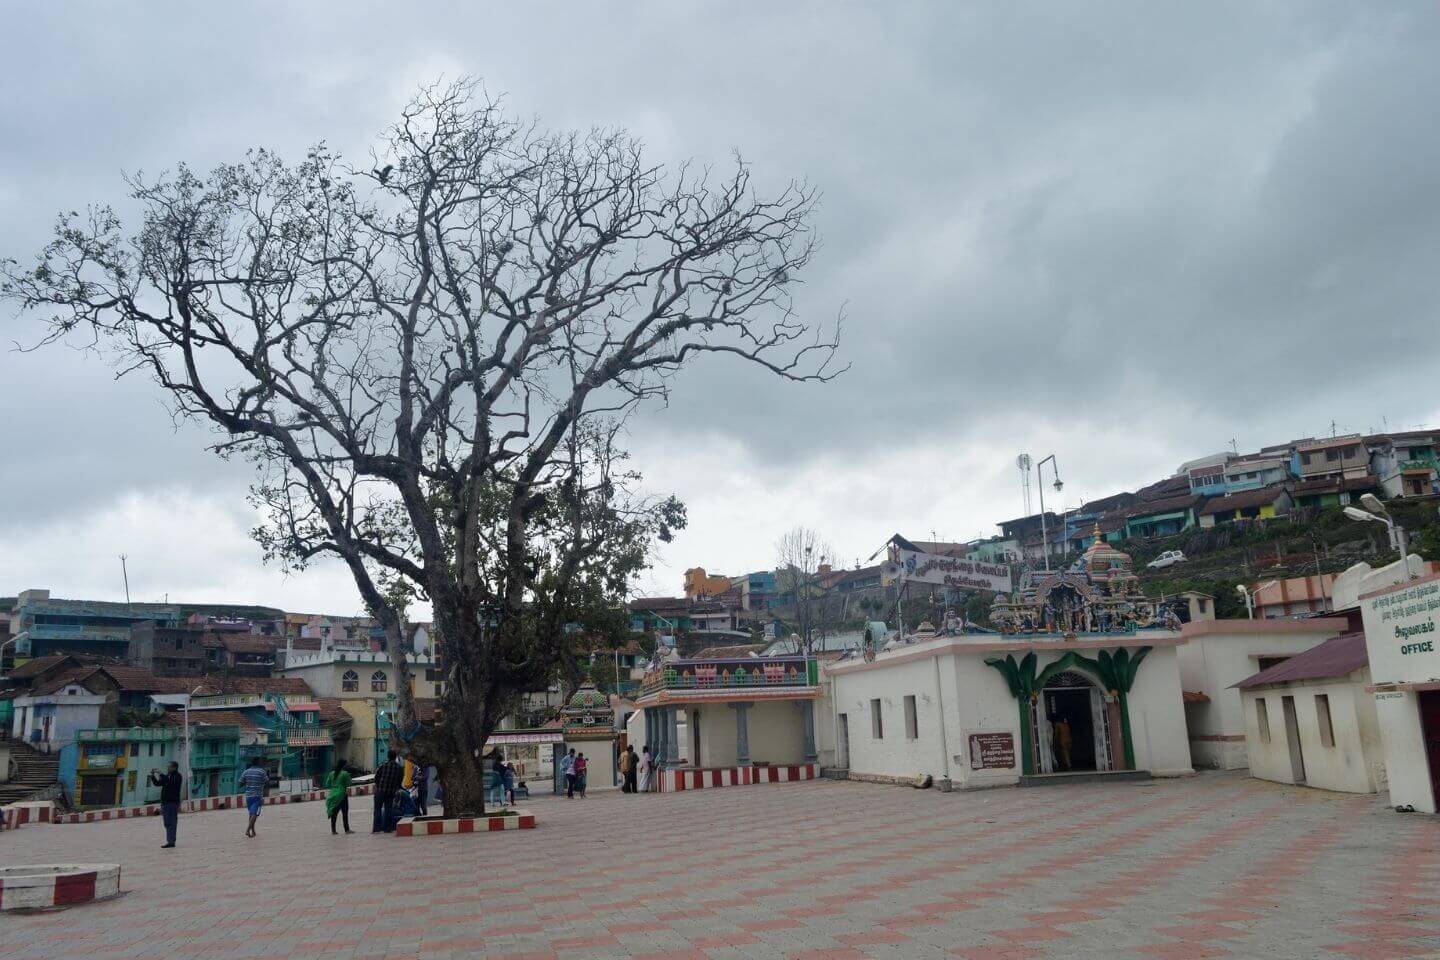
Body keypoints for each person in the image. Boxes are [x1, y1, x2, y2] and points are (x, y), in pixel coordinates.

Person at [149, 761, 183, 848]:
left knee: (171, 822)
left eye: (169, 767)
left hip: (172, 802)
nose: (168, 768)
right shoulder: (168, 776)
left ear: (174, 767)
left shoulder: (177, 776)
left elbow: (170, 782)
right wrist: (153, 776)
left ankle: (171, 841)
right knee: (167, 822)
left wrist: (160, 773)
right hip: (165, 802)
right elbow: (158, 783)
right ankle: (170, 840)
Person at [372, 751, 403, 833]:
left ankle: (376, 829)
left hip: (380, 791)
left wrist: (378, 785)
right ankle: (387, 828)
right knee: (388, 809)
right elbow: (400, 780)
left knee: (377, 809)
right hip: (391, 791)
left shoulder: (383, 765)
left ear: (388, 756)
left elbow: (376, 777)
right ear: (395, 756)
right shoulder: (399, 767)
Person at [238, 758, 268, 838]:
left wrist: (248, 782)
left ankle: (253, 831)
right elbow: (267, 782)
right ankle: (248, 830)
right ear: (258, 762)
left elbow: (240, 784)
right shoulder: (262, 772)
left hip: (248, 797)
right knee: (255, 814)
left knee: (251, 814)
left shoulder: (246, 772)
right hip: (258, 796)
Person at [324, 757, 353, 834]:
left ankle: (333, 830)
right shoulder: (345, 774)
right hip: (342, 795)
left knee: (334, 813)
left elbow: (327, 784)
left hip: (333, 795)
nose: (347, 766)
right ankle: (346, 829)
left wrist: (334, 788)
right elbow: (349, 783)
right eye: (346, 764)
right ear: (343, 765)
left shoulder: (331, 774)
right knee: (344, 812)